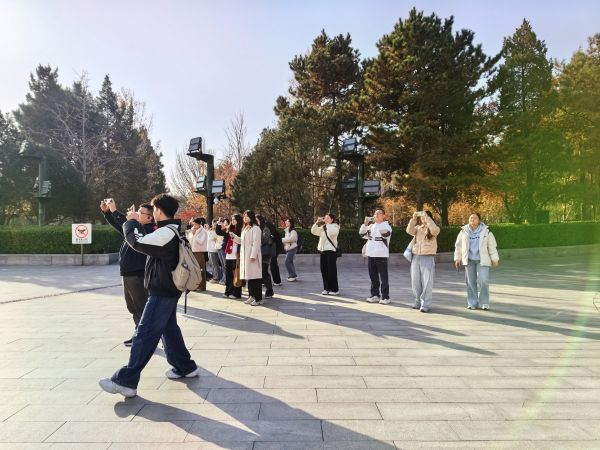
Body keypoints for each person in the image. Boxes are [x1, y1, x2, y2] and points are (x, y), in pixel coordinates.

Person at [99, 193, 199, 398]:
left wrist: (131, 221)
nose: (153, 213)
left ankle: (126, 381)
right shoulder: (169, 231)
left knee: (144, 334)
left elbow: (138, 243)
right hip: (167, 288)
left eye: (154, 210)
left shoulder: (166, 233)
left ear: (159, 211)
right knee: (169, 330)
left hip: (162, 291)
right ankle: (185, 366)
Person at [100, 198, 155, 346]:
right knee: (133, 308)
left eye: (140, 212)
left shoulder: (149, 230)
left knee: (141, 307)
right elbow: (121, 226)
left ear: (149, 218)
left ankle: (145, 338)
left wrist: (115, 211)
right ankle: (139, 333)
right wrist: (108, 213)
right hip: (128, 273)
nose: (136, 214)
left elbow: (129, 227)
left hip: (138, 274)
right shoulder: (134, 227)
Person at [454, 213, 500, 310]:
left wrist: (494, 259)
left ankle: (484, 302)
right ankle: (472, 303)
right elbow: (458, 246)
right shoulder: (463, 231)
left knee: (483, 281)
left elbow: (492, 246)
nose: (472, 219)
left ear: (479, 220)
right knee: (470, 283)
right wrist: (457, 258)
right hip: (469, 260)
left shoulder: (486, 231)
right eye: (471, 218)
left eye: (475, 218)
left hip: (482, 260)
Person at [406, 210, 440, 312]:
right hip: (416, 257)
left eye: (424, 216)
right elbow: (409, 230)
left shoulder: (434, 228)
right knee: (415, 281)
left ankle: (425, 304)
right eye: (421, 216)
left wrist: (427, 218)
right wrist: (413, 218)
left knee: (427, 282)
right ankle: (417, 301)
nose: (422, 218)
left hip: (428, 257)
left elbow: (434, 230)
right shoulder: (418, 228)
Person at [360, 209, 392, 305]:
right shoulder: (371, 226)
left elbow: (385, 234)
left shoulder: (386, 226)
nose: (376, 215)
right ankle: (375, 295)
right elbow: (362, 234)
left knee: (383, 277)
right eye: (375, 213)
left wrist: (378, 224)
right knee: (373, 276)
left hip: (381, 254)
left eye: (379, 213)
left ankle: (385, 297)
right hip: (371, 253)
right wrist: (365, 224)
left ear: (383, 216)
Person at [235, 210, 263, 306]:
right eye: (244, 216)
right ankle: (251, 296)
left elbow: (256, 243)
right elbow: (243, 242)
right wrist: (234, 237)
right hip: (246, 256)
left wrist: (253, 255)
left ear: (251, 217)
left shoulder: (255, 228)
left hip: (252, 257)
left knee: (255, 278)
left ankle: (258, 298)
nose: (245, 218)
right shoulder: (245, 228)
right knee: (249, 278)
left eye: (247, 216)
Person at [311, 213, 340, 295]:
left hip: (331, 251)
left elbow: (332, 233)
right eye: (325, 218)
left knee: (331, 271)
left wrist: (327, 224)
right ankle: (326, 288)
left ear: (332, 219)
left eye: (327, 218)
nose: (325, 219)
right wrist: (317, 222)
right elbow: (314, 231)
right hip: (323, 251)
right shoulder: (323, 227)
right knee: (324, 270)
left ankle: (334, 289)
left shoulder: (335, 226)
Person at [257, 215, 276, 299]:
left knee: (264, 272)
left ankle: (270, 291)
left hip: (265, 254)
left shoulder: (265, 229)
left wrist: (257, 233)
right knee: (262, 273)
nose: (256, 222)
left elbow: (264, 239)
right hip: (259, 253)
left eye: (257, 220)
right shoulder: (258, 229)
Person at [223, 214, 242, 299]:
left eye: (235, 219)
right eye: (232, 219)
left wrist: (234, 236)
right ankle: (228, 291)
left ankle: (236, 293)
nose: (233, 221)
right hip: (229, 254)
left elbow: (241, 242)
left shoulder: (241, 229)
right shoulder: (229, 228)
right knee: (228, 274)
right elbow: (220, 233)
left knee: (236, 274)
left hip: (236, 254)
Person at [190, 217, 208, 291]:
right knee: (194, 270)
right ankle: (195, 285)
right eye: (193, 224)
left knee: (200, 269)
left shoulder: (203, 231)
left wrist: (194, 234)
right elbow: (190, 240)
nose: (194, 226)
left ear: (199, 224)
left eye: (195, 224)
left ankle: (201, 286)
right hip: (193, 251)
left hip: (199, 252)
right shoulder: (193, 230)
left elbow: (201, 241)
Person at [207, 219, 222, 284]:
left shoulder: (217, 231)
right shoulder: (210, 230)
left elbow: (214, 239)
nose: (214, 225)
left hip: (214, 249)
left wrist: (211, 232)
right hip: (209, 249)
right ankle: (214, 276)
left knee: (215, 264)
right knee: (212, 264)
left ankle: (217, 277)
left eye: (215, 224)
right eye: (213, 223)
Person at [215, 217, 229, 284]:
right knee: (223, 265)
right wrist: (218, 224)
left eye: (226, 223)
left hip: (227, 249)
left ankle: (226, 279)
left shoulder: (229, 230)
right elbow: (218, 232)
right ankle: (224, 278)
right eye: (224, 222)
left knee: (225, 265)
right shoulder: (224, 230)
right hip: (222, 248)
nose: (224, 224)